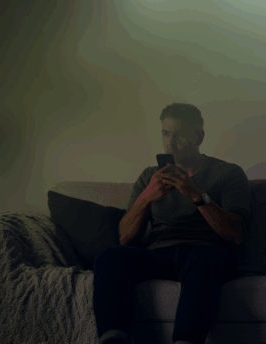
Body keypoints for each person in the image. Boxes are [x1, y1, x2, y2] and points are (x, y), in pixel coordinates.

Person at [92, 103, 251, 344]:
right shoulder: (150, 176)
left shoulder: (228, 173)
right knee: (109, 256)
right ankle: (114, 340)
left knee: (204, 258)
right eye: (165, 133)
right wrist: (146, 197)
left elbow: (236, 234)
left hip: (206, 252)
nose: (170, 142)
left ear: (199, 137)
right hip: (160, 254)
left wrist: (195, 193)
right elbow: (125, 238)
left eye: (179, 134)